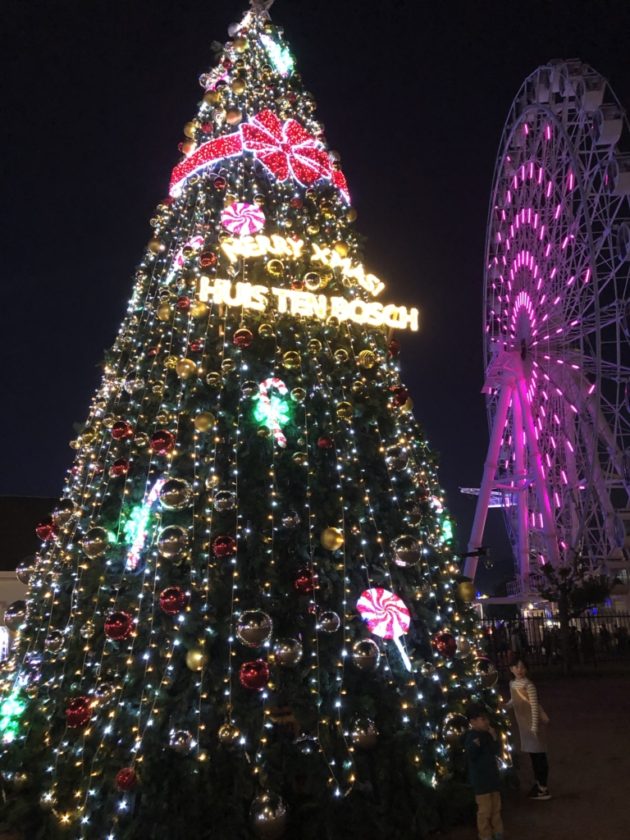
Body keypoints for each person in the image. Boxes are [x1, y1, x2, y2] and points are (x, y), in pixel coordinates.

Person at [506, 655, 551, 800]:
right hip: (524, 726)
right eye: (516, 667)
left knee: (539, 756)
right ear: (511, 669)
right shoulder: (512, 684)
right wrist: (505, 706)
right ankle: (539, 784)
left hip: (532, 724)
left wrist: (534, 726)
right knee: (533, 755)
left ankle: (543, 787)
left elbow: (534, 706)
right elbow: (514, 700)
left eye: (523, 667)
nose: (520, 670)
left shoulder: (529, 685)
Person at [464, 703, 504, 840]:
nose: (487, 722)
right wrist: (475, 745)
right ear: (473, 722)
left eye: (487, 719)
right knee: (485, 811)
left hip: (493, 779)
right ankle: (485, 835)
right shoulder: (472, 737)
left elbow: (495, 751)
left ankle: (498, 832)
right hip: (481, 782)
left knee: (496, 809)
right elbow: (471, 755)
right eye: (483, 719)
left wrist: (494, 737)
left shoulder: (487, 735)